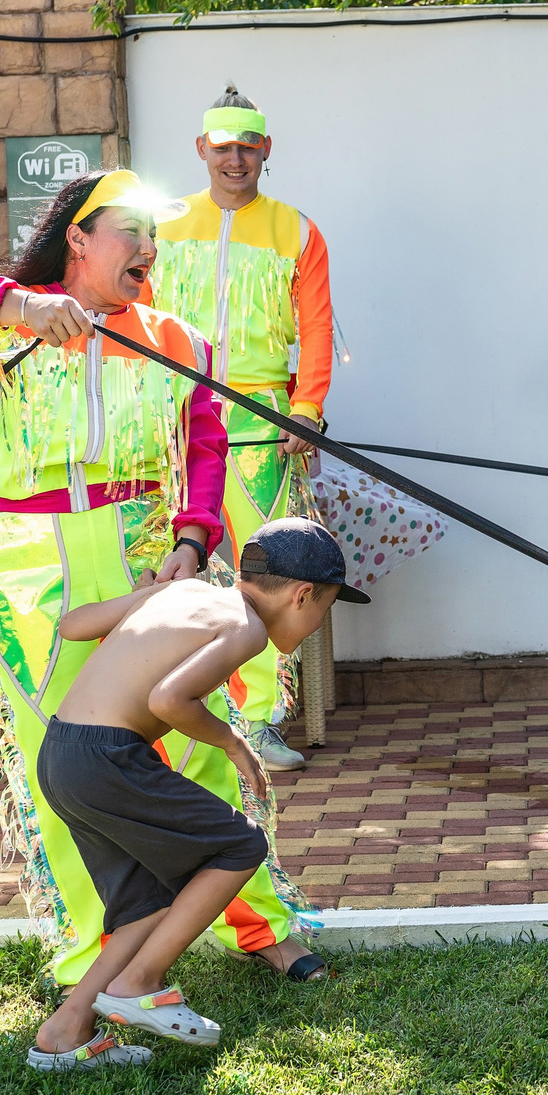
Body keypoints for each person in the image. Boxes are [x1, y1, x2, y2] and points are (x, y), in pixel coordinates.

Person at [0, 169, 323, 994]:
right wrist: (19, 308)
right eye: (130, 230)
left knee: (195, 743)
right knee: (55, 762)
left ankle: (262, 926)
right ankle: (89, 958)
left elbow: (205, 445)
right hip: (29, 564)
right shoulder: (5, 322)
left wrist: (194, 540)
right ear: (79, 237)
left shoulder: (176, 340)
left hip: (145, 553)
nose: (148, 248)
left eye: (153, 234)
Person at [27, 519, 360, 1068]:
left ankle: (64, 1033)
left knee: (145, 907)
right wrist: (234, 742)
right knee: (241, 845)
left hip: (62, 754)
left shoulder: (183, 594)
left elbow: (73, 625)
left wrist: (144, 598)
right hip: (108, 758)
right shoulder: (246, 628)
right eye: (325, 609)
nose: (319, 624)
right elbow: (167, 700)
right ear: (302, 596)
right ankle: (140, 982)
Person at [149, 86, 337, 773]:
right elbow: (134, 315)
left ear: (266, 150)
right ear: (202, 149)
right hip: (174, 414)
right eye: (223, 147)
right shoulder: (162, 225)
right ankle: (164, 712)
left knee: (266, 567)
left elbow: (316, 328)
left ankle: (258, 719)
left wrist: (305, 409)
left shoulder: (298, 231)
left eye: (247, 148)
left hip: (261, 417)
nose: (235, 160)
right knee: (170, 558)